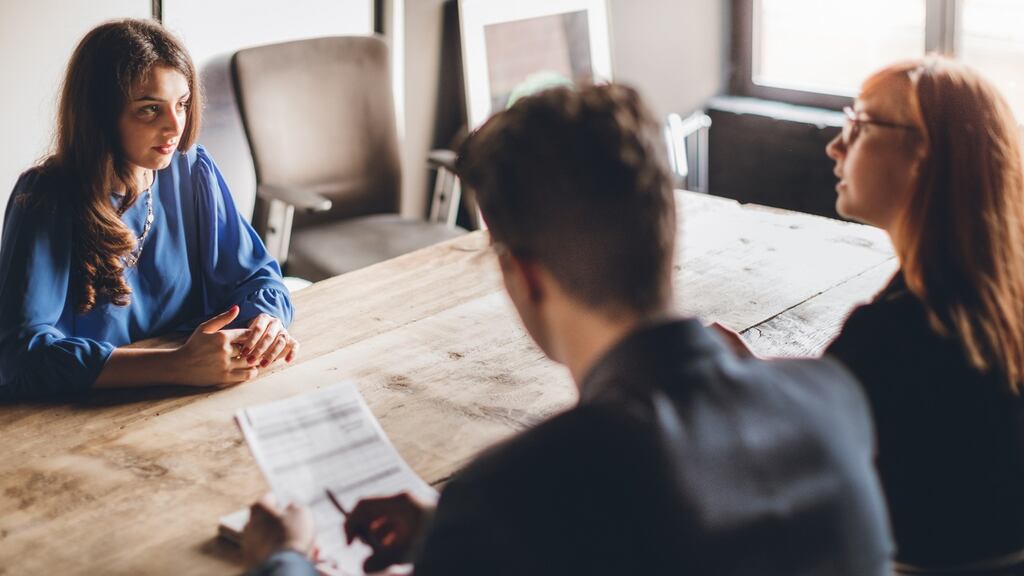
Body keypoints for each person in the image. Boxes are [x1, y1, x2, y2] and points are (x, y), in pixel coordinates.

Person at [242, 83, 893, 575]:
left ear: (524, 276)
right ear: (666, 230)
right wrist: (452, 532)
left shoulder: (514, 496)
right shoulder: (833, 401)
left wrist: (286, 558)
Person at [0, 19, 298, 399]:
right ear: (101, 114)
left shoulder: (191, 169)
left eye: (182, 104)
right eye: (150, 109)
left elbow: (257, 276)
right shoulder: (45, 199)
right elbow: (21, 355)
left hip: (188, 395)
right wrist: (176, 365)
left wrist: (266, 323)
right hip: (83, 410)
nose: (175, 126)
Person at [824, 57, 1024, 573]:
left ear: (924, 156)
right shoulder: (996, 310)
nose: (836, 147)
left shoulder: (889, 338)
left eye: (860, 125)